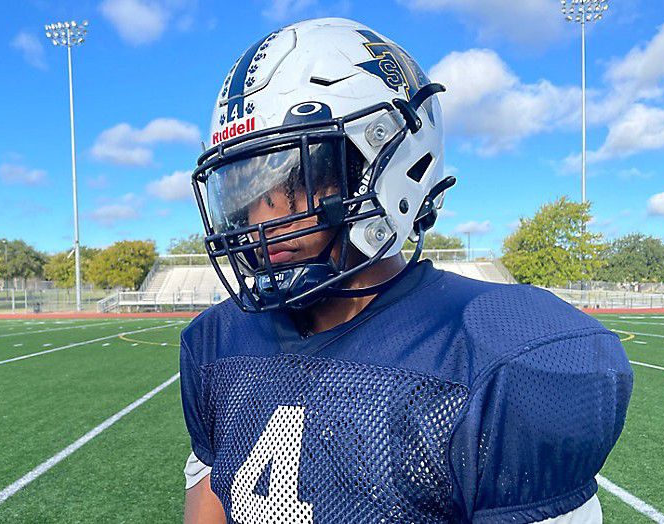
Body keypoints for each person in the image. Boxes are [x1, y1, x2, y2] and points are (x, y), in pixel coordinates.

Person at [180, 18, 633, 524]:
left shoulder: (492, 356)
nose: (261, 221)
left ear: (383, 159)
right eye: (244, 194)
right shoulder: (216, 342)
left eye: (293, 179)